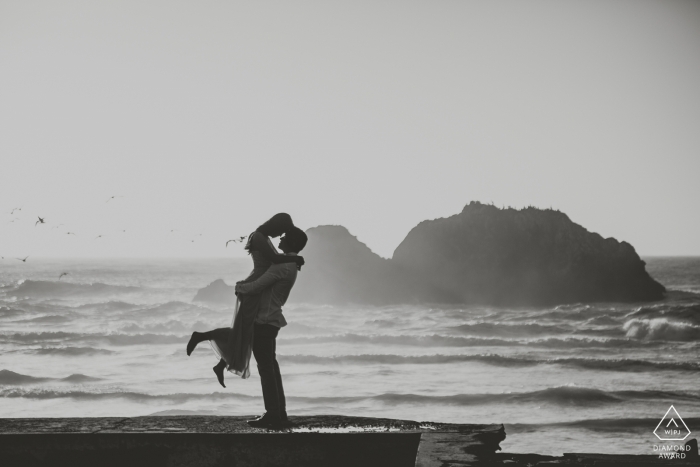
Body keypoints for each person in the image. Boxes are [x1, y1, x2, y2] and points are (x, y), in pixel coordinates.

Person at [186, 213, 304, 387]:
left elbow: (275, 262)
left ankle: (220, 361)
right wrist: (295, 258)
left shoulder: (264, 238)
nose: (280, 236)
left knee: (244, 332)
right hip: (255, 287)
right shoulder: (259, 237)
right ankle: (205, 339)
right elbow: (274, 259)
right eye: (281, 231)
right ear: (276, 225)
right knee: (244, 331)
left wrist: (292, 258)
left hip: (258, 287)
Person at [235, 226, 308, 428]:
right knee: (271, 368)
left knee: (266, 369)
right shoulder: (289, 265)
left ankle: (273, 414)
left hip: (264, 321)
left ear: (292, 243)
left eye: (284, 237)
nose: (280, 238)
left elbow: (256, 286)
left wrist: (239, 287)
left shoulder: (282, 267)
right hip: (272, 319)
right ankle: (279, 412)